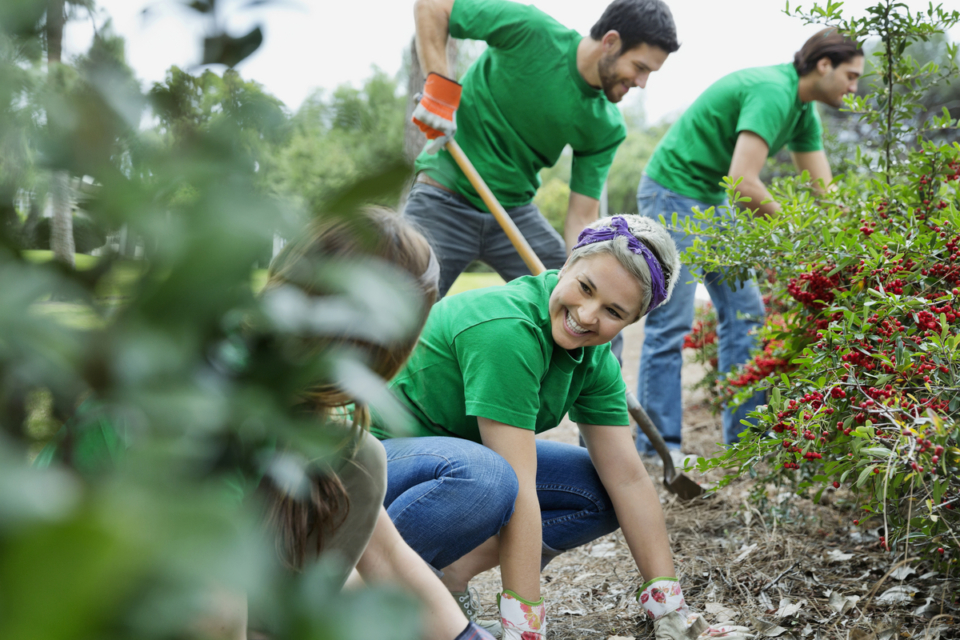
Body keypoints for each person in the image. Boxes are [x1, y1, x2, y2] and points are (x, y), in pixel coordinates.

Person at [37, 208, 495, 640]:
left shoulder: (284, 379)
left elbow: (387, 555)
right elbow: (210, 607)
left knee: (358, 457)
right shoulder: (219, 394)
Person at [371, 215, 749, 640]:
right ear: (567, 264)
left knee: (600, 491)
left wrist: (668, 605)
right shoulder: (506, 331)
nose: (586, 316)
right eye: (586, 287)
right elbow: (519, 486)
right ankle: (365, 584)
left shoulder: (595, 360)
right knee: (490, 478)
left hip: (456, 466)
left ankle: (449, 575)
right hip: (372, 469)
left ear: (631, 321)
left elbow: (628, 479)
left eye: (613, 312)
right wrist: (526, 627)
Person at [634, 28, 864, 458]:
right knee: (672, 320)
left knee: (746, 312)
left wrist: (853, 240)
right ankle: (656, 450)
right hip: (672, 191)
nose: (854, 88)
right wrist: (798, 232)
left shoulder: (801, 111)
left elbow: (825, 194)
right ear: (823, 65)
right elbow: (743, 182)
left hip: (710, 198)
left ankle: (745, 443)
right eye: (851, 76)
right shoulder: (774, 92)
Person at [407, 0, 678, 298]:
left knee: (592, 302)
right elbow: (434, 6)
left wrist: (585, 279)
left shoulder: (605, 125)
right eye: (639, 67)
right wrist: (441, 93)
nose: (641, 83)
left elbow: (581, 217)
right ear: (611, 42)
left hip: (513, 214)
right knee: (397, 312)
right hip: (443, 198)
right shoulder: (529, 29)